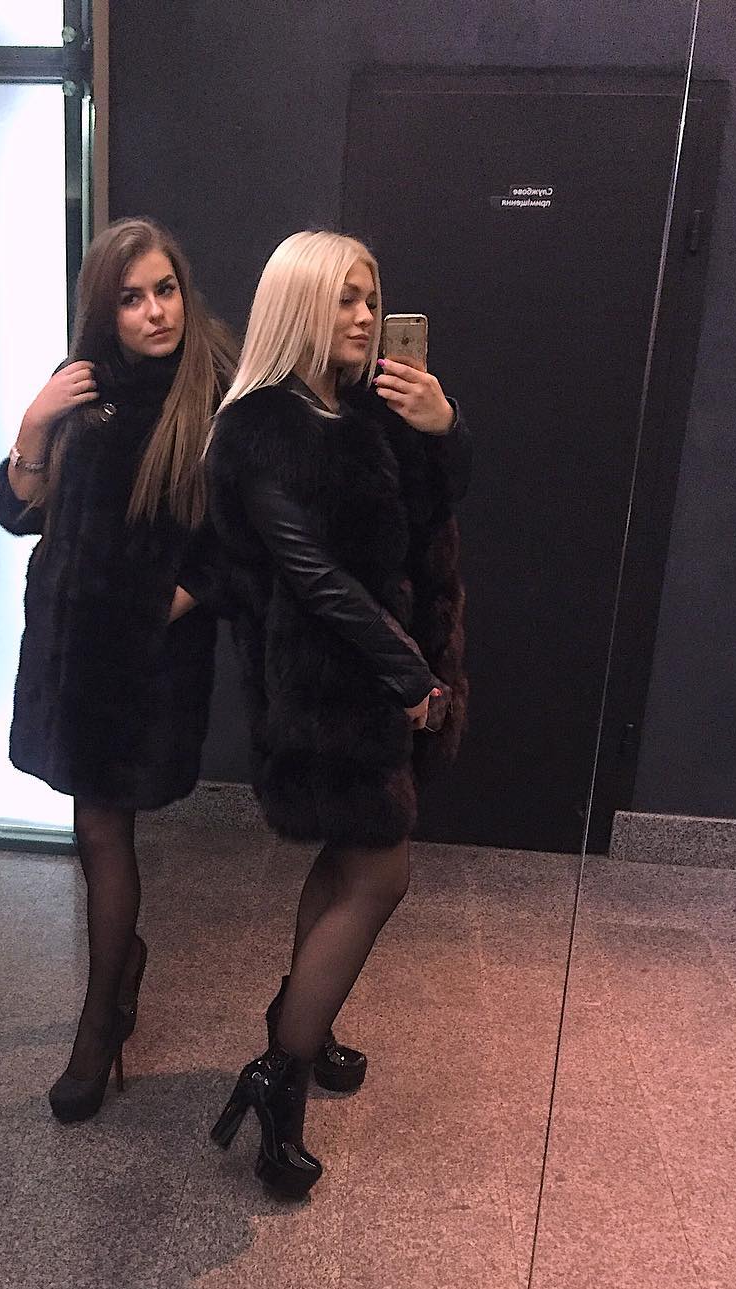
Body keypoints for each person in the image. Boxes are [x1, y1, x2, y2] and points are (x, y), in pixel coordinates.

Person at [204, 230, 471, 1198]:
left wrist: (443, 425)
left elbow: (435, 511)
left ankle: (300, 1025)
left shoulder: (362, 408)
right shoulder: (259, 426)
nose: (364, 317)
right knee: (381, 870)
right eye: (345, 299)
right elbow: (312, 576)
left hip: (373, 673)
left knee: (347, 857)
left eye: (371, 298)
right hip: (324, 686)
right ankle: (277, 1075)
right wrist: (407, 675)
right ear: (299, 306)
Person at [0, 218, 236, 1122]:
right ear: (105, 308)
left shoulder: (217, 395)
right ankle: (122, 963)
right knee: (91, 826)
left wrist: (157, 608)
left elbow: (241, 546)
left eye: (165, 289)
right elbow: (19, 511)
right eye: (131, 298)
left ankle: (99, 1024)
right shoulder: (83, 389)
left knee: (103, 827)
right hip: (67, 653)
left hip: (142, 667)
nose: (154, 311)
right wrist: (34, 420)